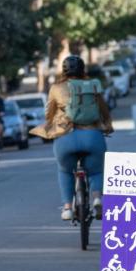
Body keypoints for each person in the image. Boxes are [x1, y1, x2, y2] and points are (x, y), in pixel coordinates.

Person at [30, 55, 113, 221]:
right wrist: (108, 127)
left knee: (65, 171)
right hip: (92, 137)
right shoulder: (93, 86)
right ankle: (97, 198)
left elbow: (49, 114)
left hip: (65, 138)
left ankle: (67, 207)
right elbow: (104, 110)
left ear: (64, 70)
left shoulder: (56, 88)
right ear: (83, 69)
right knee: (96, 170)